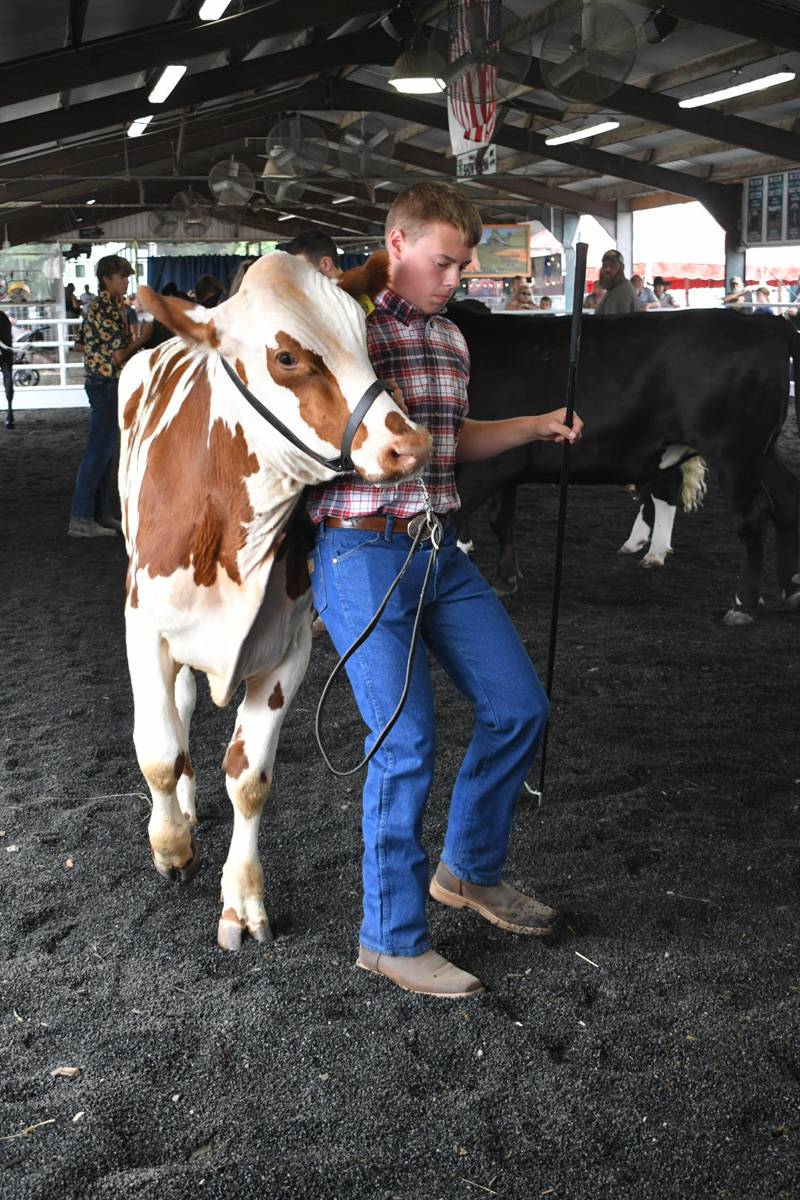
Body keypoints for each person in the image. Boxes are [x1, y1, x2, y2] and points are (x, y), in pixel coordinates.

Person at [306, 182, 583, 998]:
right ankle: (388, 939)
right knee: (405, 742)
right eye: (444, 262)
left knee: (520, 707)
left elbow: (449, 442)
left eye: (463, 265)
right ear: (395, 244)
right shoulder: (345, 327)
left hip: (439, 549)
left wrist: (537, 425)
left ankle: (468, 871)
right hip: (359, 548)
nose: (456, 277)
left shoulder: (452, 341)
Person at [68, 255, 152, 539]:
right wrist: (144, 338)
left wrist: (99, 352)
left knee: (104, 451)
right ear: (107, 279)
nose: (126, 281)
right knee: (99, 451)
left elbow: (79, 345)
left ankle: (99, 514)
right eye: (122, 276)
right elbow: (118, 356)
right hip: (107, 382)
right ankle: (82, 517)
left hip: (100, 381)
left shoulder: (102, 307)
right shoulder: (107, 308)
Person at [595, 249, 638, 315]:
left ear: (621, 268)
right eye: (605, 265)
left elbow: (612, 324)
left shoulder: (621, 291)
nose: (607, 269)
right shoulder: (616, 288)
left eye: (612, 265)